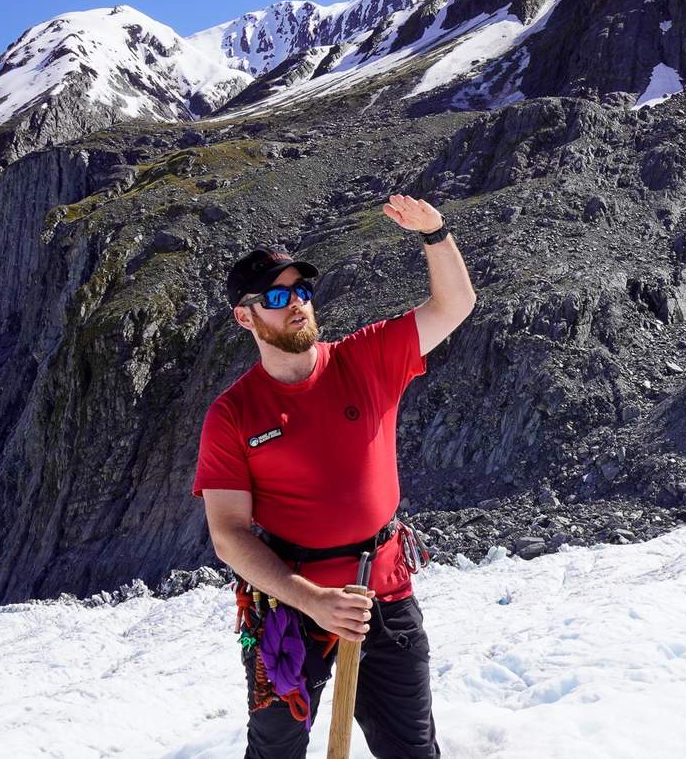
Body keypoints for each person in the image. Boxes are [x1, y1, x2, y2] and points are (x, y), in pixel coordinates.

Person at [192, 194, 475, 759]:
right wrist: (313, 601)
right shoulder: (233, 414)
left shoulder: (364, 359)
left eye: (301, 290)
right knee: (275, 750)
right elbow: (228, 533)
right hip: (287, 607)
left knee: (412, 749)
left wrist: (435, 234)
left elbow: (455, 305)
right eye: (276, 295)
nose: (295, 303)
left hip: (383, 594)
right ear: (243, 316)